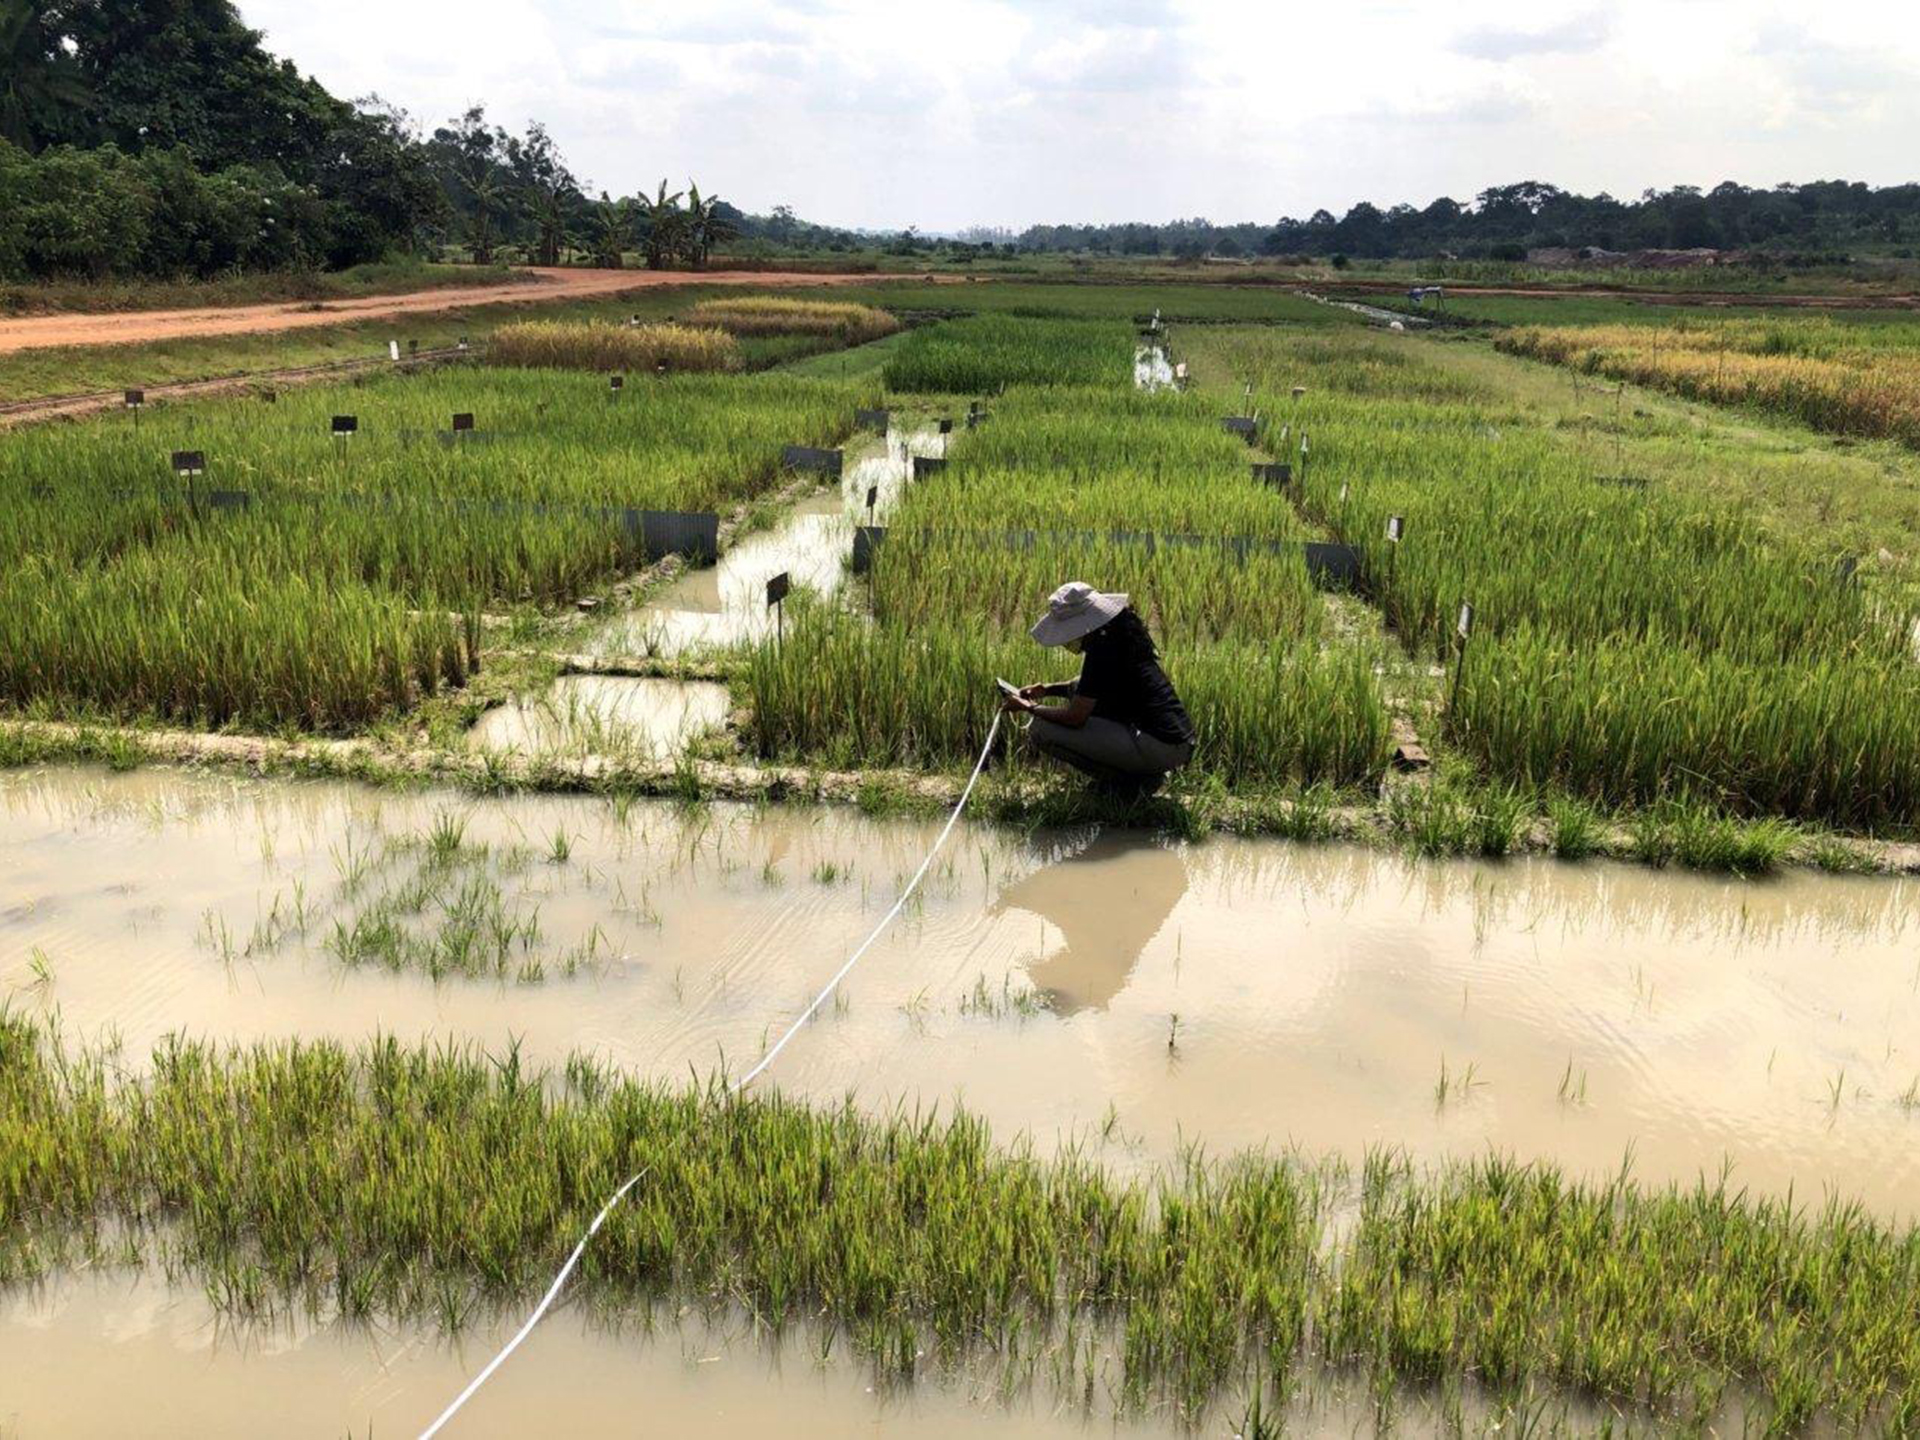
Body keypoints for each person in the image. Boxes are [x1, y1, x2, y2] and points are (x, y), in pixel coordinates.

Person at [1003, 581, 1194, 795]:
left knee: (1041, 730)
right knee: (1076, 686)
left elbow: (1075, 717)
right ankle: (1142, 776)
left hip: (1159, 746)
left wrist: (1029, 707)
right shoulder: (1118, 634)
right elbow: (1087, 687)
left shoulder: (1102, 651)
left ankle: (1127, 784)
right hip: (1175, 742)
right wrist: (1046, 689)